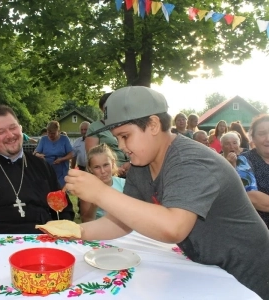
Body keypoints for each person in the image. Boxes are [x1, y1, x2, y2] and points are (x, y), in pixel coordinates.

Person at [64, 86, 269, 298]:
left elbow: (174, 227)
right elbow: (121, 221)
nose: (121, 146)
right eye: (117, 138)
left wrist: (100, 193)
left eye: (125, 136)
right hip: (208, 266)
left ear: (153, 124)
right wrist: (75, 231)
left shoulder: (190, 161)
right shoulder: (141, 165)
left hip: (247, 272)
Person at [0, 105, 74, 234]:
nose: (10, 135)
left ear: (20, 129)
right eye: (0, 132)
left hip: (42, 242)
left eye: (13, 127)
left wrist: (59, 232)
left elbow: (64, 208)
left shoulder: (42, 167)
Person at [86, 93, 130, 177]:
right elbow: (92, 156)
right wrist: (115, 168)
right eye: (107, 107)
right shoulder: (94, 128)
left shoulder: (127, 124)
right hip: (108, 174)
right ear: (102, 109)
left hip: (133, 170)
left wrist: (131, 164)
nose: (111, 109)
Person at [80, 143, 125, 222]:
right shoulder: (87, 190)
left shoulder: (124, 184)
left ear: (113, 163)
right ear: (90, 169)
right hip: (99, 231)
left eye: (106, 165)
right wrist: (94, 205)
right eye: (97, 167)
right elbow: (86, 221)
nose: (103, 171)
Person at [241, 114, 269, 228]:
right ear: (253, 138)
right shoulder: (245, 160)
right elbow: (252, 196)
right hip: (261, 229)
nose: (268, 138)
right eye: (262, 134)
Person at [34, 121, 74, 187]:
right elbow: (35, 153)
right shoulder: (43, 139)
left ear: (58, 131)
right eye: (48, 133)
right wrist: (39, 155)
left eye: (53, 133)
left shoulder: (64, 139)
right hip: (47, 170)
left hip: (61, 171)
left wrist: (61, 159)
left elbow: (72, 154)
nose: (50, 135)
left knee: (60, 190)